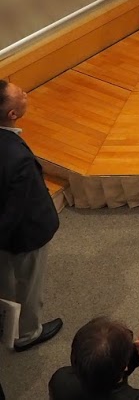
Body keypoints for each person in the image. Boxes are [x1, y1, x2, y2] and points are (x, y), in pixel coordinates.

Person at [0, 79, 62, 359]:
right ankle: (27, 334)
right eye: (21, 95)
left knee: (5, 280)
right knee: (28, 284)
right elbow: (16, 210)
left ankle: (5, 321)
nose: (26, 94)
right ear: (12, 114)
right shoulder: (17, 159)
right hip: (24, 236)